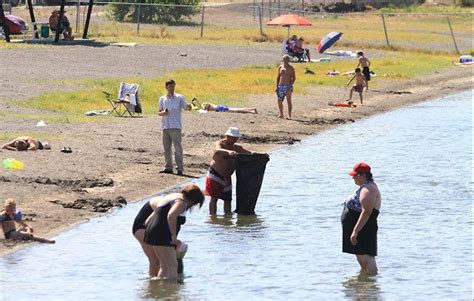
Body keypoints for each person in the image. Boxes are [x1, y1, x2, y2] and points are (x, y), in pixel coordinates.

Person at [143, 184, 204, 281]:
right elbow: (171, 215)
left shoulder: (173, 196)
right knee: (173, 266)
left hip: (153, 231)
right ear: (193, 200)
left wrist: (150, 230)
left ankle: (161, 291)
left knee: (164, 265)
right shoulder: (181, 202)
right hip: (162, 233)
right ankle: (172, 294)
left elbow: (148, 220)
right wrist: (173, 236)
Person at [341, 162, 381, 275]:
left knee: (368, 258)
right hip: (360, 226)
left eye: (355, 175)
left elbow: (366, 212)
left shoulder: (369, 189)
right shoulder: (365, 187)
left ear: (363, 175)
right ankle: (363, 283)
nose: (353, 177)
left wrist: (355, 231)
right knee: (361, 257)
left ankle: (371, 286)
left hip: (365, 228)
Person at [205, 127, 253, 215]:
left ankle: (227, 217)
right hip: (215, 175)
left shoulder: (237, 148)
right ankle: (212, 216)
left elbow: (250, 153)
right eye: (233, 137)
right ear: (227, 136)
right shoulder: (220, 144)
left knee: (227, 199)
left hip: (227, 177)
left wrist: (261, 155)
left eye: (236, 138)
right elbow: (217, 150)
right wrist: (228, 152)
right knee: (214, 198)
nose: (235, 140)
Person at [158, 79, 192, 176]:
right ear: (166, 87)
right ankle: (168, 167)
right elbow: (159, 112)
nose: (171, 88)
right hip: (165, 126)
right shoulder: (162, 99)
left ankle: (180, 168)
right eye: (169, 86)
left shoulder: (179, 97)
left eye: (173, 86)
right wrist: (163, 112)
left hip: (176, 126)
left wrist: (189, 106)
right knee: (166, 148)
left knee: (178, 148)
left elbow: (187, 108)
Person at [133, 201, 159, 277]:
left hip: (147, 227)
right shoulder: (167, 204)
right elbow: (147, 222)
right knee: (155, 260)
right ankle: (152, 283)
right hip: (142, 228)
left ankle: (153, 283)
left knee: (158, 260)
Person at [275, 55, 296, 119]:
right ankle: (281, 114)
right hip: (281, 85)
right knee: (279, 100)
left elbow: (294, 78)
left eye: (287, 59)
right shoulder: (280, 67)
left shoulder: (291, 68)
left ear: (289, 60)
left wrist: (290, 86)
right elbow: (278, 77)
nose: (286, 61)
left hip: (288, 86)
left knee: (288, 101)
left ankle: (289, 115)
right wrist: (277, 86)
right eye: (285, 59)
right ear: (283, 60)